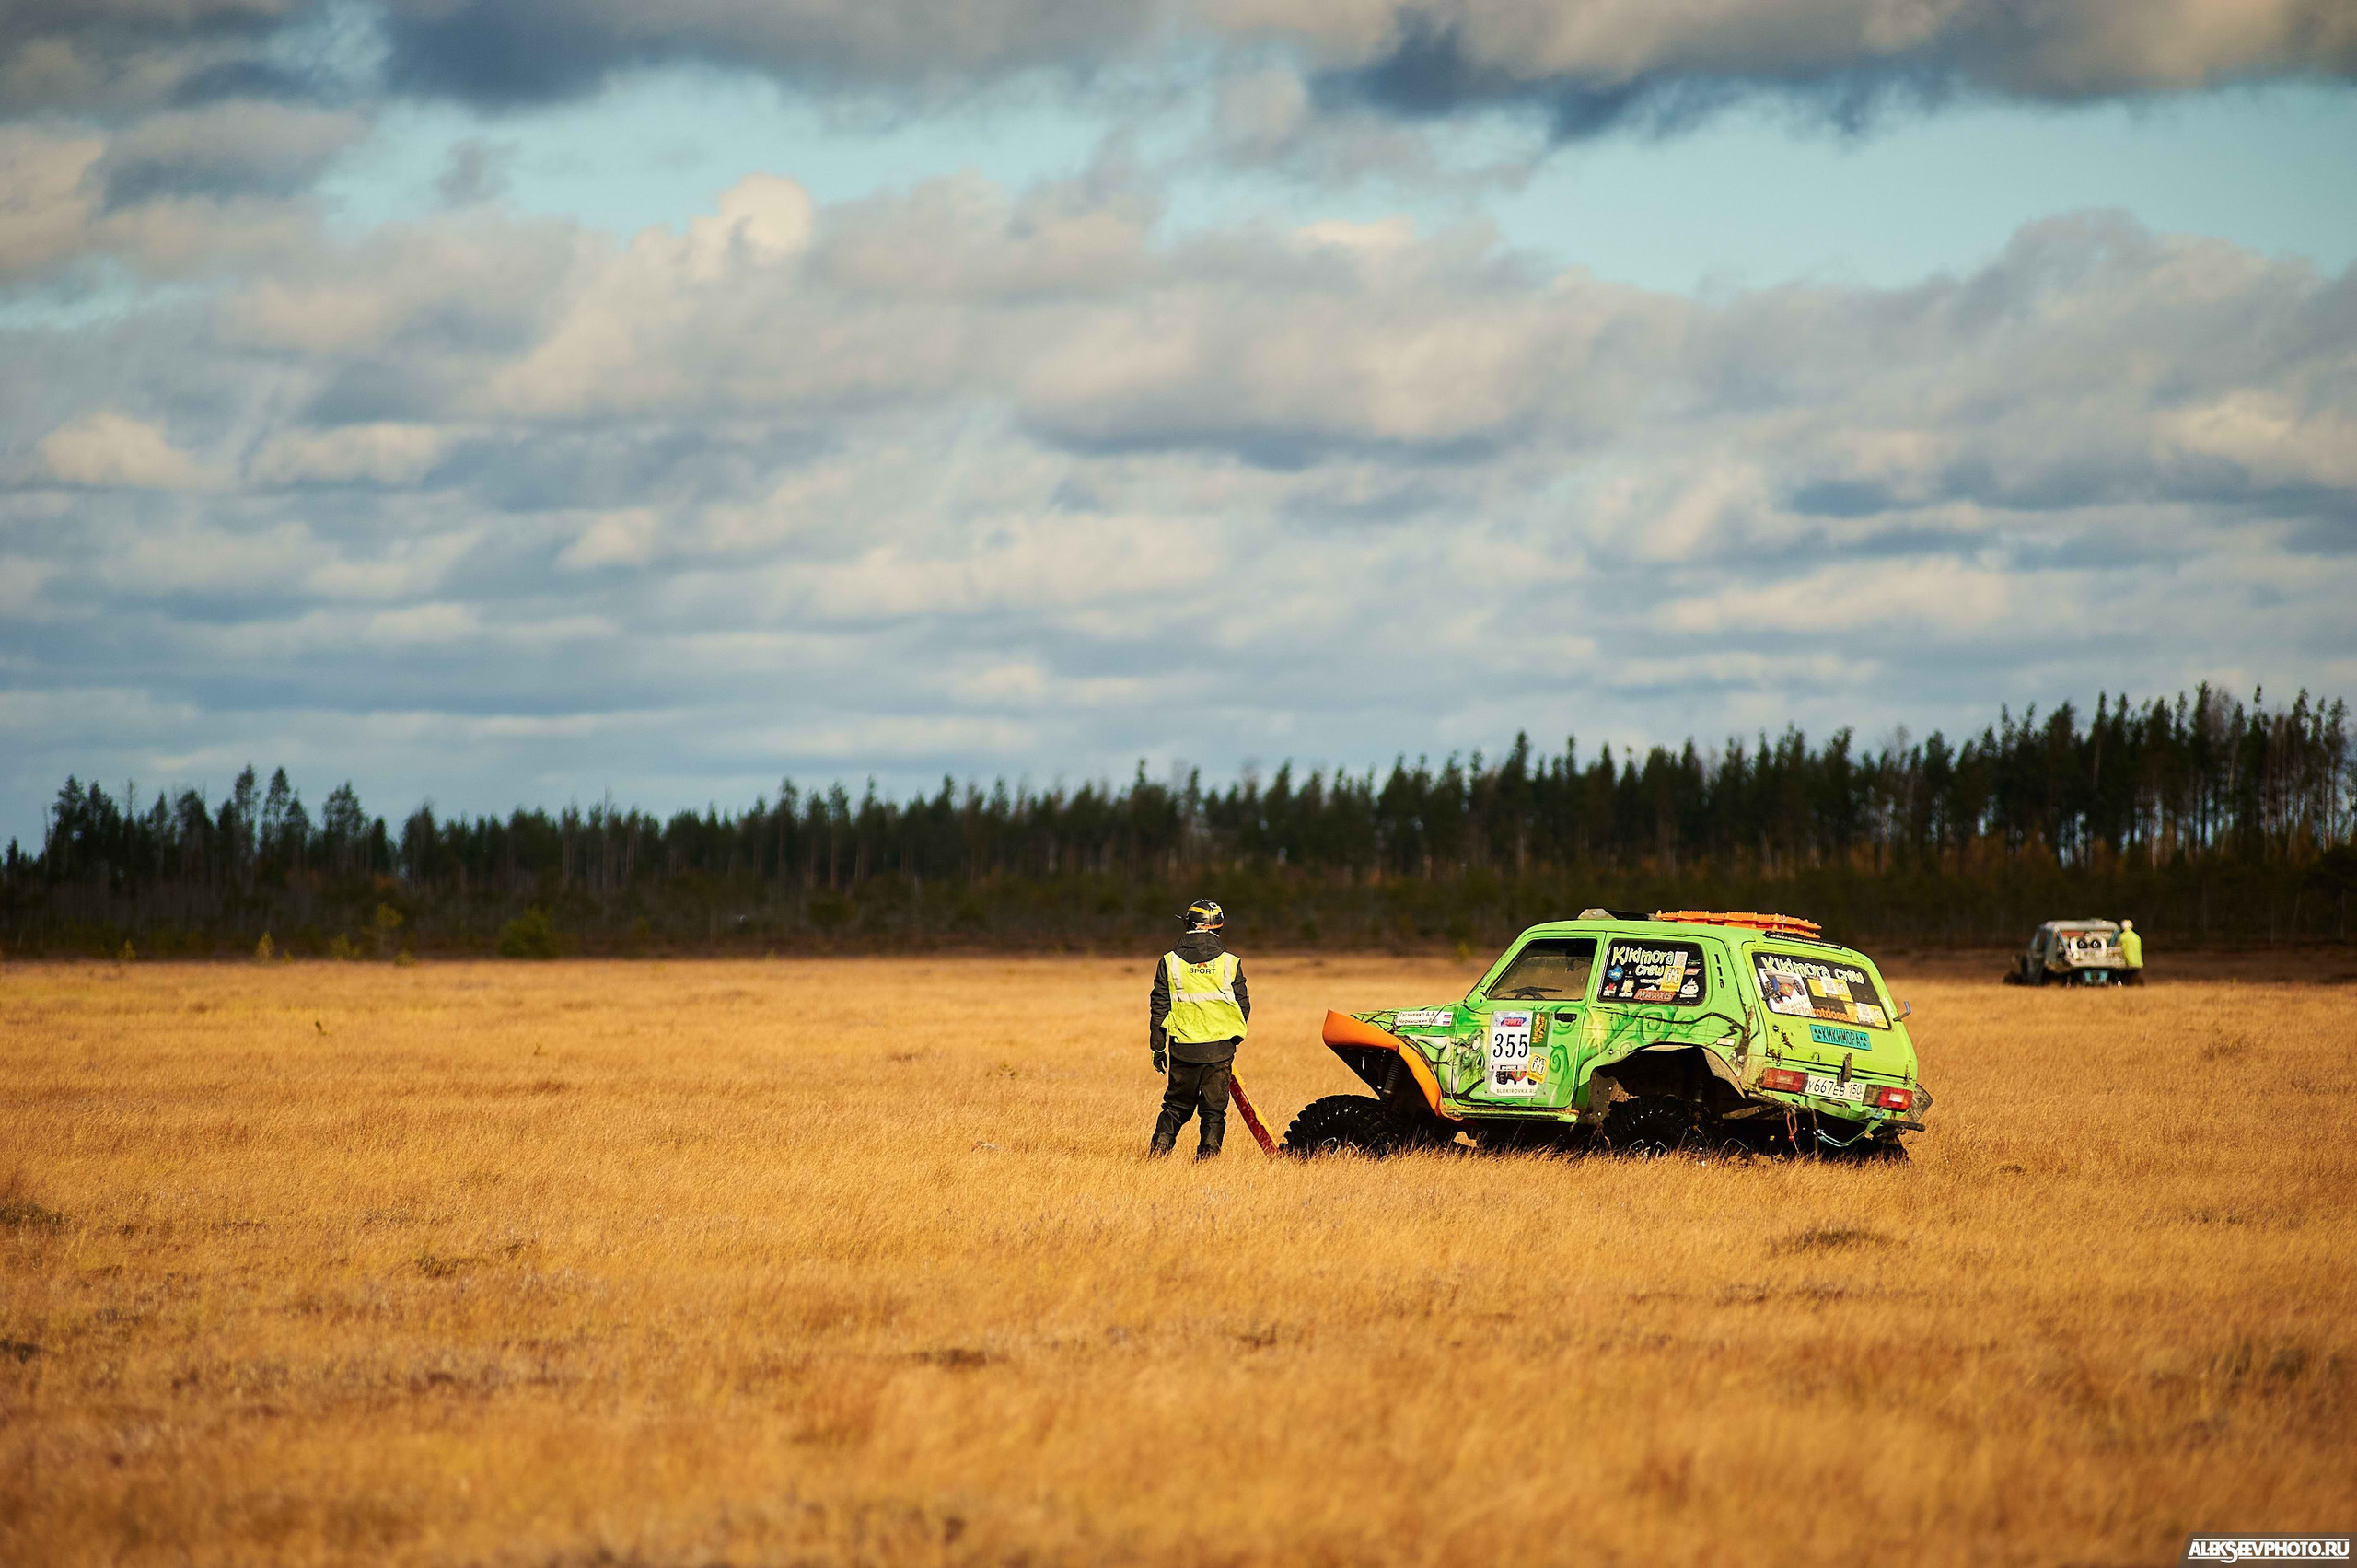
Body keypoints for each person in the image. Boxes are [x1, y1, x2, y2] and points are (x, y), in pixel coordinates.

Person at [1147, 898, 1250, 1159]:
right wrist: (1230, 1039)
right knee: (1214, 1111)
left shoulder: (1169, 962)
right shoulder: (1230, 962)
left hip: (1183, 1048)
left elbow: (1159, 1007)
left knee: (1175, 1107)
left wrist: (1158, 1047)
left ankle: (1158, 1156)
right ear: (1219, 925)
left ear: (1187, 924)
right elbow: (1243, 1006)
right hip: (1220, 1048)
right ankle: (1207, 1161)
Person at [2119, 918, 2144, 985]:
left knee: (2126, 977)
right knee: (2134, 976)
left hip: (2128, 962)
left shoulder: (2122, 937)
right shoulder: (2137, 937)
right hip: (2138, 962)